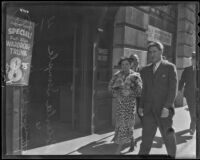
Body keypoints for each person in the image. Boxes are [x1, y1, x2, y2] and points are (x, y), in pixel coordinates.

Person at [138, 41, 178, 158]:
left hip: (164, 110)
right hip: (148, 110)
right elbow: (143, 90)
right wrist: (140, 106)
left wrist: (167, 106)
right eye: (150, 52)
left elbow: (173, 89)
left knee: (168, 138)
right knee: (146, 139)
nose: (152, 54)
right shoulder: (145, 70)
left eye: (154, 52)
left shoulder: (170, 67)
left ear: (161, 52)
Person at [108, 56, 142, 154]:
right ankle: (131, 141)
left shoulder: (135, 75)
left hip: (130, 104)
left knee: (128, 123)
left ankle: (120, 147)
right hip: (120, 103)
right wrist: (117, 95)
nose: (125, 66)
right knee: (121, 123)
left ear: (131, 64)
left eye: (127, 64)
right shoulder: (117, 75)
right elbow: (110, 87)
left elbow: (140, 91)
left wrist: (130, 92)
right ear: (120, 66)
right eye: (122, 64)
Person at [178, 52, 196, 135]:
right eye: (193, 59)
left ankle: (192, 127)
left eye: (196, 59)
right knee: (192, 111)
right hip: (189, 95)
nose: (194, 61)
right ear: (191, 60)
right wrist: (179, 89)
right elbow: (182, 80)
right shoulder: (187, 70)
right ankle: (193, 125)